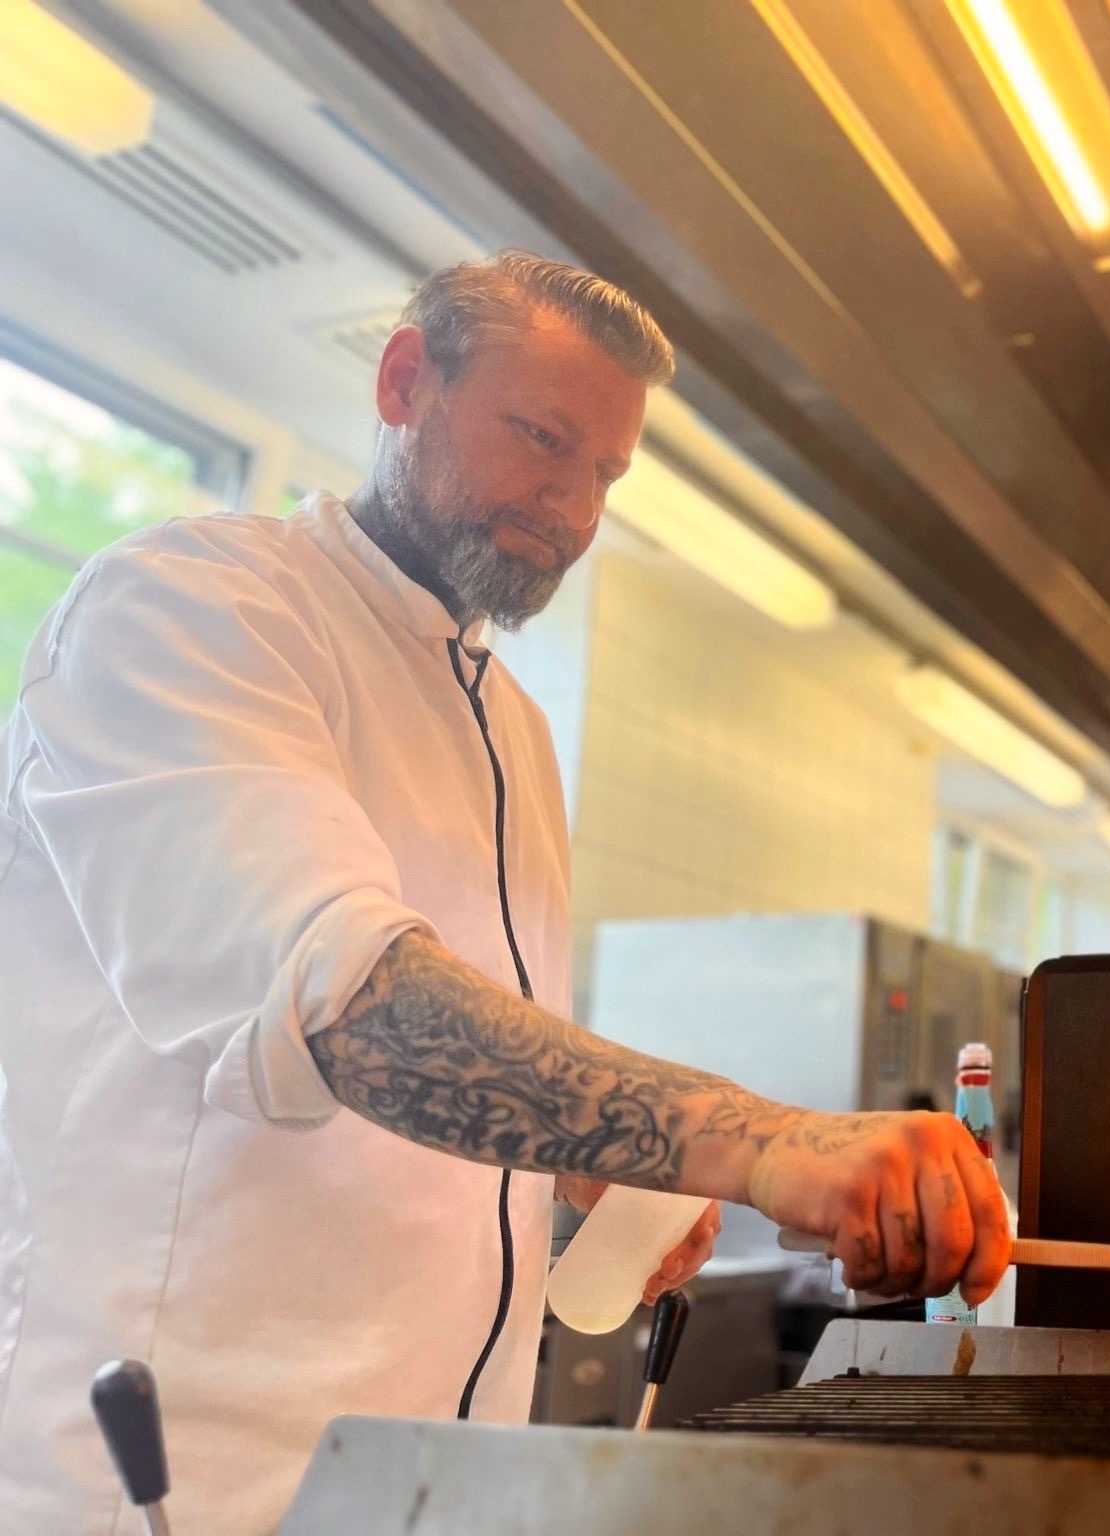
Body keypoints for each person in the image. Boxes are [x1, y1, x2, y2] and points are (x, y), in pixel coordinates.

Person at [0, 252, 1011, 1531]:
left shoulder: (515, 732)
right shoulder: (194, 608)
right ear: (405, 381)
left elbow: (472, 1078)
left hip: (431, 1476)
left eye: (605, 473)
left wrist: (588, 1175)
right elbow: (358, 1014)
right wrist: (760, 1141)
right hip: (177, 1480)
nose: (572, 507)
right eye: (541, 437)